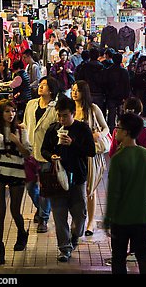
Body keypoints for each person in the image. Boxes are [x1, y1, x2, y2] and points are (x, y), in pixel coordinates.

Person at [103, 112, 146, 274]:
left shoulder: (118, 159)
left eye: (118, 128)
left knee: (119, 257)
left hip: (121, 220)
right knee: (144, 254)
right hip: (142, 218)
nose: (116, 131)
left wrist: (108, 218)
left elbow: (114, 193)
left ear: (127, 131)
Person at [41, 96, 96, 262]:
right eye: (59, 115)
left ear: (73, 113)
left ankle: (74, 236)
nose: (61, 119)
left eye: (65, 115)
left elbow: (91, 151)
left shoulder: (82, 129)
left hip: (77, 179)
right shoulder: (53, 129)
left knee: (80, 215)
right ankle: (64, 248)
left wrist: (73, 143)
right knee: (59, 216)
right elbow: (44, 149)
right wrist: (52, 156)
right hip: (56, 180)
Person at [0, 99, 33, 264]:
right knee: (0, 213)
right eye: (7, 111)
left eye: (13, 111)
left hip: (17, 173)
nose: (11, 114)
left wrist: (16, 141)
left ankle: (22, 233)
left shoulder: (21, 130)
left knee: (15, 211)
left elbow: (27, 154)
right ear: (0, 113)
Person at [71, 80, 109, 236]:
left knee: (90, 189)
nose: (74, 93)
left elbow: (106, 127)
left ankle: (91, 222)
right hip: (74, 154)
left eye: (77, 90)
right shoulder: (70, 109)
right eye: (73, 89)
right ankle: (78, 219)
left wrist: (99, 134)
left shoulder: (93, 109)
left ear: (84, 92)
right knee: (76, 188)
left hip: (90, 154)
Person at [22, 76, 59, 234]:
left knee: (45, 188)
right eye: (40, 84)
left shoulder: (55, 108)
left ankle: (43, 219)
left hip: (47, 153)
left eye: (44, 85)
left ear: (51, 90)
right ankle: (41, 209)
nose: (40, 87)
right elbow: (25, 124)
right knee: (30, 186)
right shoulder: (31, 104)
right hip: (31, 152)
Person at [102, 52, 131, 132]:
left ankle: (111, 132)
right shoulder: (124, 71)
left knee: (111, 115)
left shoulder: (108, 71)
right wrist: (126, 97)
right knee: (121, 115)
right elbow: (127, 85)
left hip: (111, 96)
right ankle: (122, 130)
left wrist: (107, 93)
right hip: (121, 97)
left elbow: (105, 83)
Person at [74, 47, 106, 115]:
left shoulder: (85, 67)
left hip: (86, 93)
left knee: (86, 114)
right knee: (98, 114)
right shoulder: (102, 67)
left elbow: (79, 79)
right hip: (99, 94)